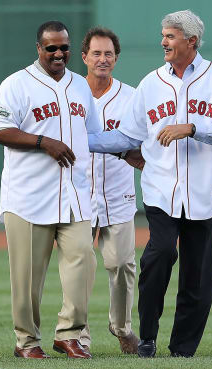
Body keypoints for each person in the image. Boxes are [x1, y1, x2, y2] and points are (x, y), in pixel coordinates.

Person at [87, 9, 212, 358]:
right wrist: (79, 140)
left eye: (171, 36)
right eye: (164, 35)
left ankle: (183, 349)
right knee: (160, 253)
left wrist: (191, 127)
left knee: (198, 275)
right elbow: (127, 135)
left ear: (191, 41)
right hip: (161, 189)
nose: (163, 41)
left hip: (205, 192)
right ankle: (147, 337)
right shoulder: (151, 83)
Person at [0, 20, 101, 359]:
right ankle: (27, 342)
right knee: (27, 279)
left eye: (63, 47)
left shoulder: (80, 86)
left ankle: (69, 333)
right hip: (28, 196)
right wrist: (42, 141)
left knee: (83, 260)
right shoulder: (17, 84)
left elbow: (92, 135)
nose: (58, 53)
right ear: (39, 48)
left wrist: (128, 150)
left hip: (74, 193)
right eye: (50, 47)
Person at [79, 27, 141, 354]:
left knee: (121, 265)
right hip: (76, 195)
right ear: (84, 56)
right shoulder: (71, 94)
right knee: (79, 267)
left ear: (116, 59)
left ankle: (122, 328)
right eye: (97, 53)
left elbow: (143, 145)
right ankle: (78, 336)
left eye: (109, 54)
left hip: (119, 193)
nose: (103, 59)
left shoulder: (132, 98)